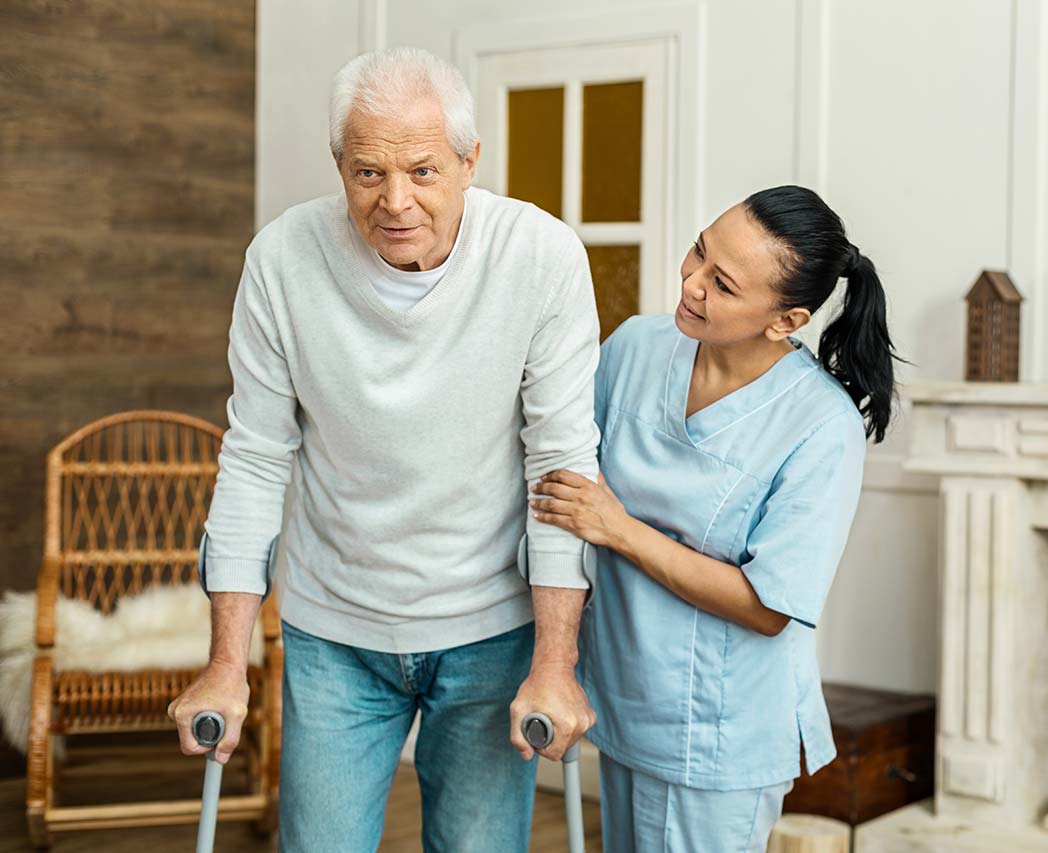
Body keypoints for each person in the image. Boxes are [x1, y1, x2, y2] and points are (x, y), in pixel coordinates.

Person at [166, 47, 599, 853]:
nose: (395, 201)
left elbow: (559, 467)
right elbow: (256, 457)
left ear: (472, 162)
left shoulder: (540, 258)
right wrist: (226, 660)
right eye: (367, 173)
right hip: (336, 625)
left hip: (488, 626)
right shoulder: (282, 261)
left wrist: (555, 659)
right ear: (339, 163)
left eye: (424, 172)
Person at [529, 186, 897, 851]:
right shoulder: (638, 347)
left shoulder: (821, 426)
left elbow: (768, 606)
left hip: (721, 733)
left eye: (722, 284)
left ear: (785, 320)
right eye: (698, 250)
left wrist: (618, 527)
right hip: (622, 695)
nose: (691, 282)